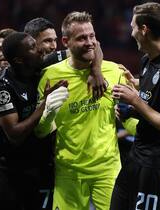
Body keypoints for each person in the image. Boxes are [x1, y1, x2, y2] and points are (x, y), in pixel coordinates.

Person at [35, 11, 126, 210]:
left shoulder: (114, 71)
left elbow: (129, 119)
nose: (89, 42)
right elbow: (41, 131)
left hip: (107, 169)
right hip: (68, 172)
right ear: (66, 42)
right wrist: (48, 112)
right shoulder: (50, 76)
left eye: (92, 36)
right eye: (82, 38)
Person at [110, 3, 160, 210]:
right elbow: (152, 97)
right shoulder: (148, 61)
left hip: (159, 168)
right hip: (136, 158)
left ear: (144, 29)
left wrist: (135, 100)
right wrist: (135, 87)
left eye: (132, 27)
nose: (131, 32)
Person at [0, 31, 68, 210]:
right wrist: (44, 104)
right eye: (32, 47)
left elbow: (90, 48)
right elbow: (15, 134)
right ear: (19, 60)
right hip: (11, 173)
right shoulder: (3, 87)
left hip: (41, 166)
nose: (40, 49)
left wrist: (96, 71)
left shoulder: (40, 62)